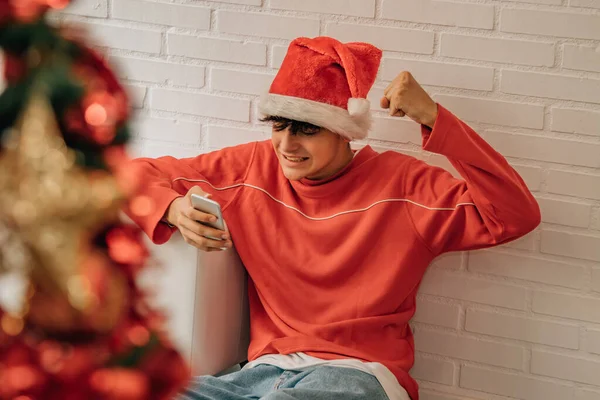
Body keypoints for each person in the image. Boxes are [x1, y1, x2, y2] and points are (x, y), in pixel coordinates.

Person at [125, 36, 541, 400]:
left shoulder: (403, 184)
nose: (286, 145)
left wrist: (433, 118)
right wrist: (170, 208)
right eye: (279, 126)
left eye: (306, 129)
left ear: (343, 131)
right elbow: (125, 173)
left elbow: (512, 215)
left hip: (359, 376)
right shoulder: (253, 168)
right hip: (261, 376)